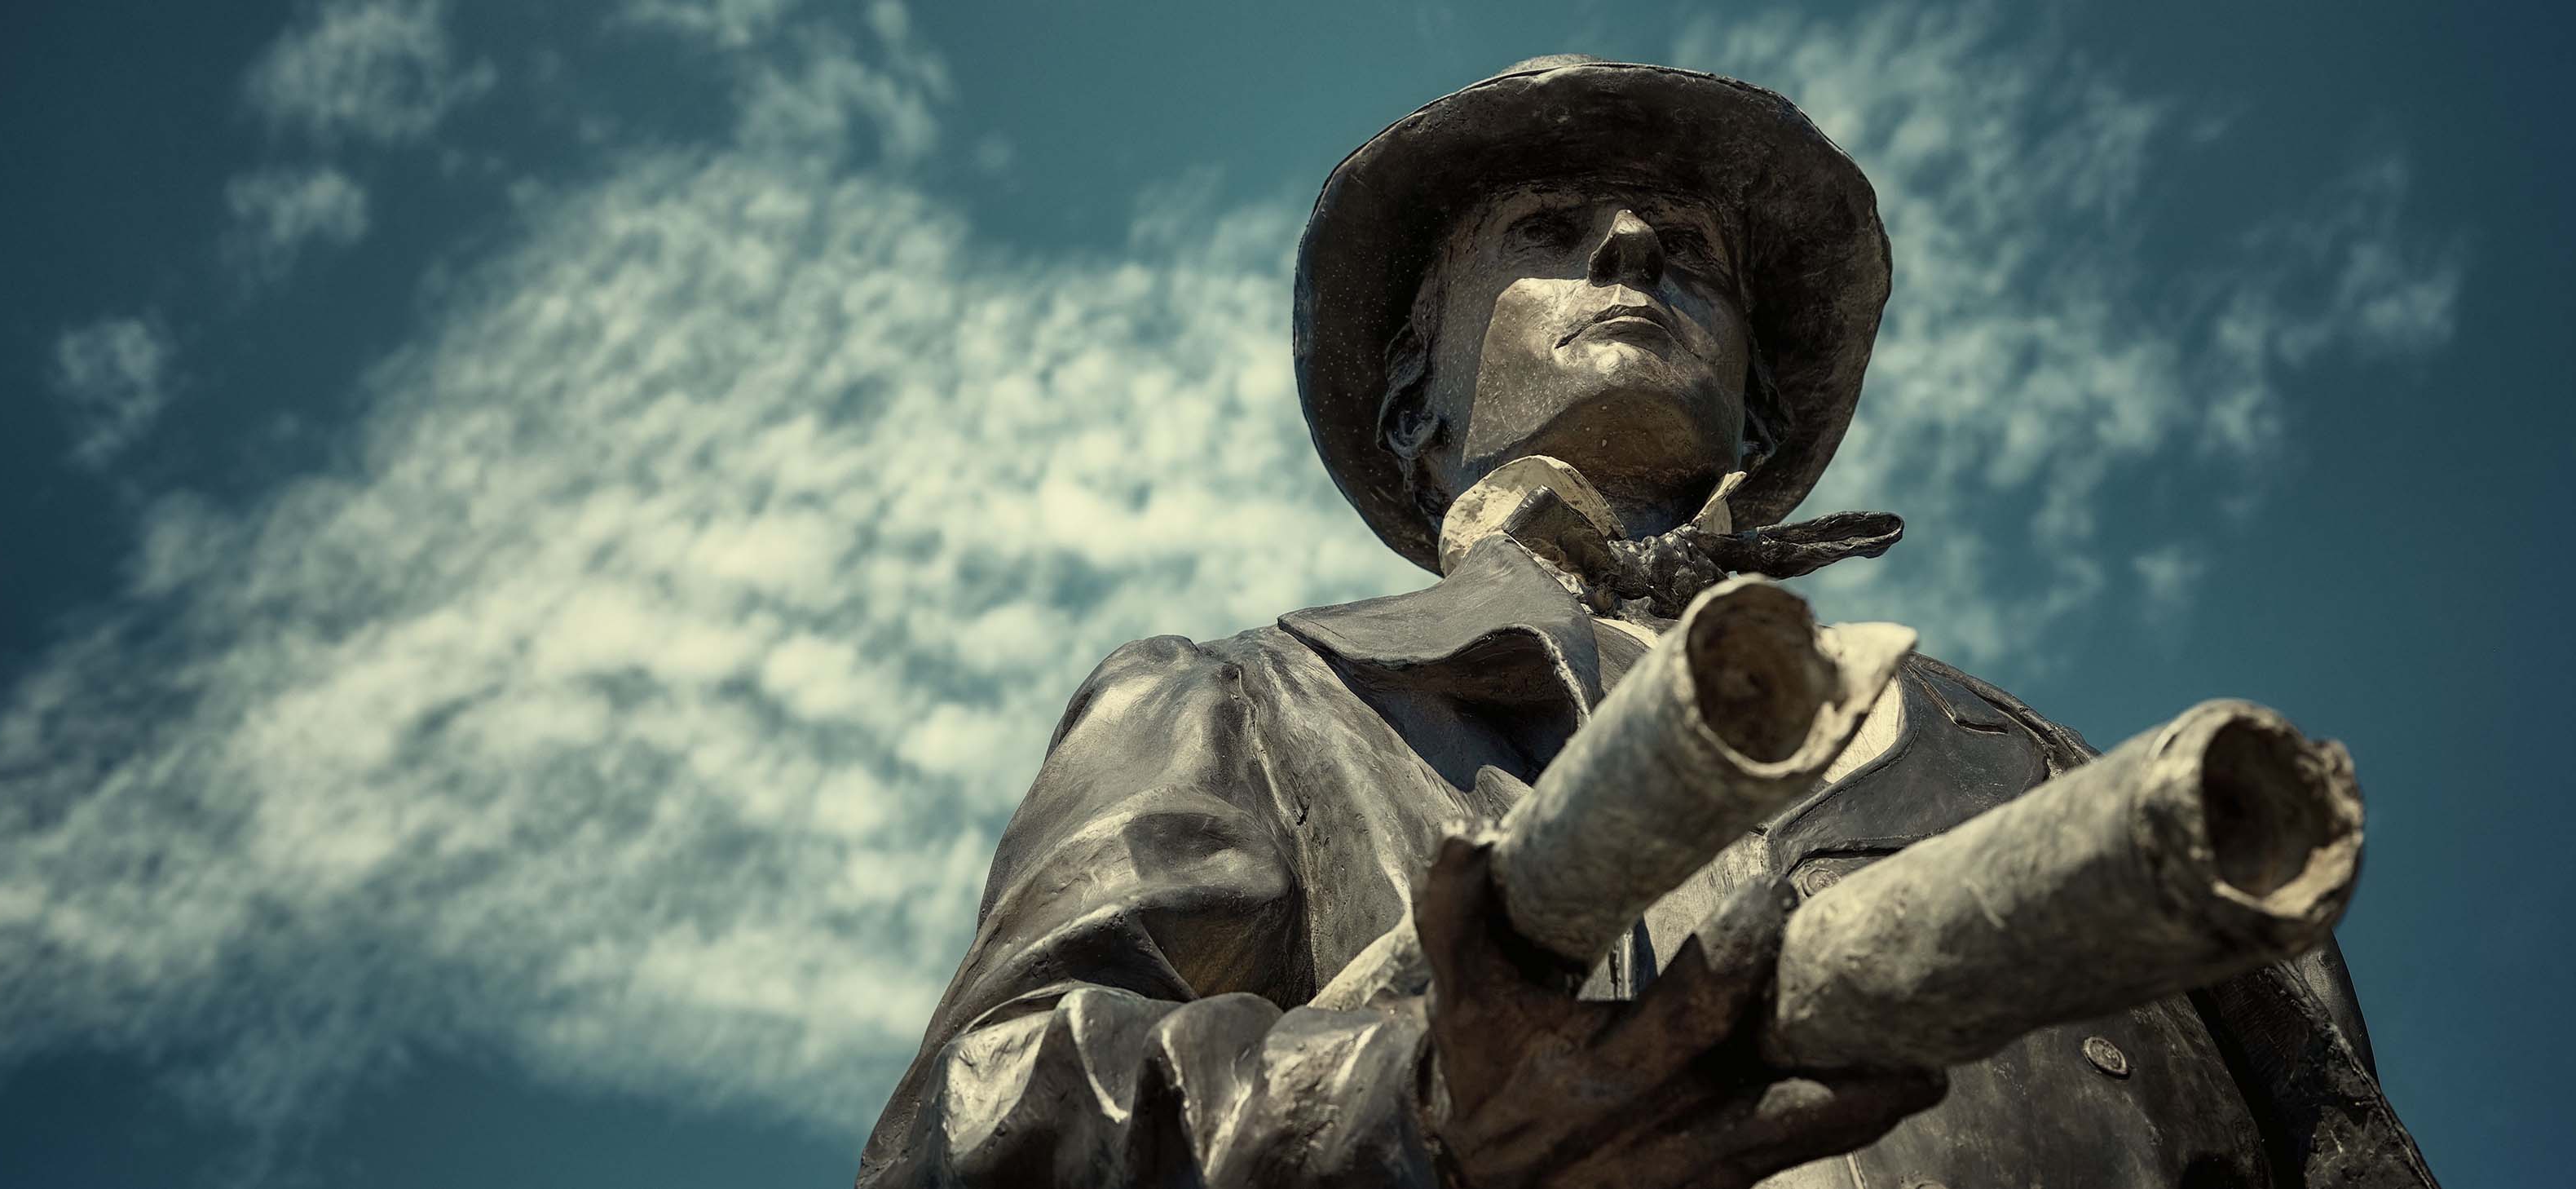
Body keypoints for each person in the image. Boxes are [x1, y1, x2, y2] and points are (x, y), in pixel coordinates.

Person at [859, 56, 2437, 1189]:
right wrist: (1415, 1109)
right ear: (1417, 390)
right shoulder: (1254, 703)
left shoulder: (2051, 774)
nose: (1630, 254)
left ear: (1752, 388)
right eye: (1544, 235)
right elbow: (976, 1133)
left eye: (1687, 259)